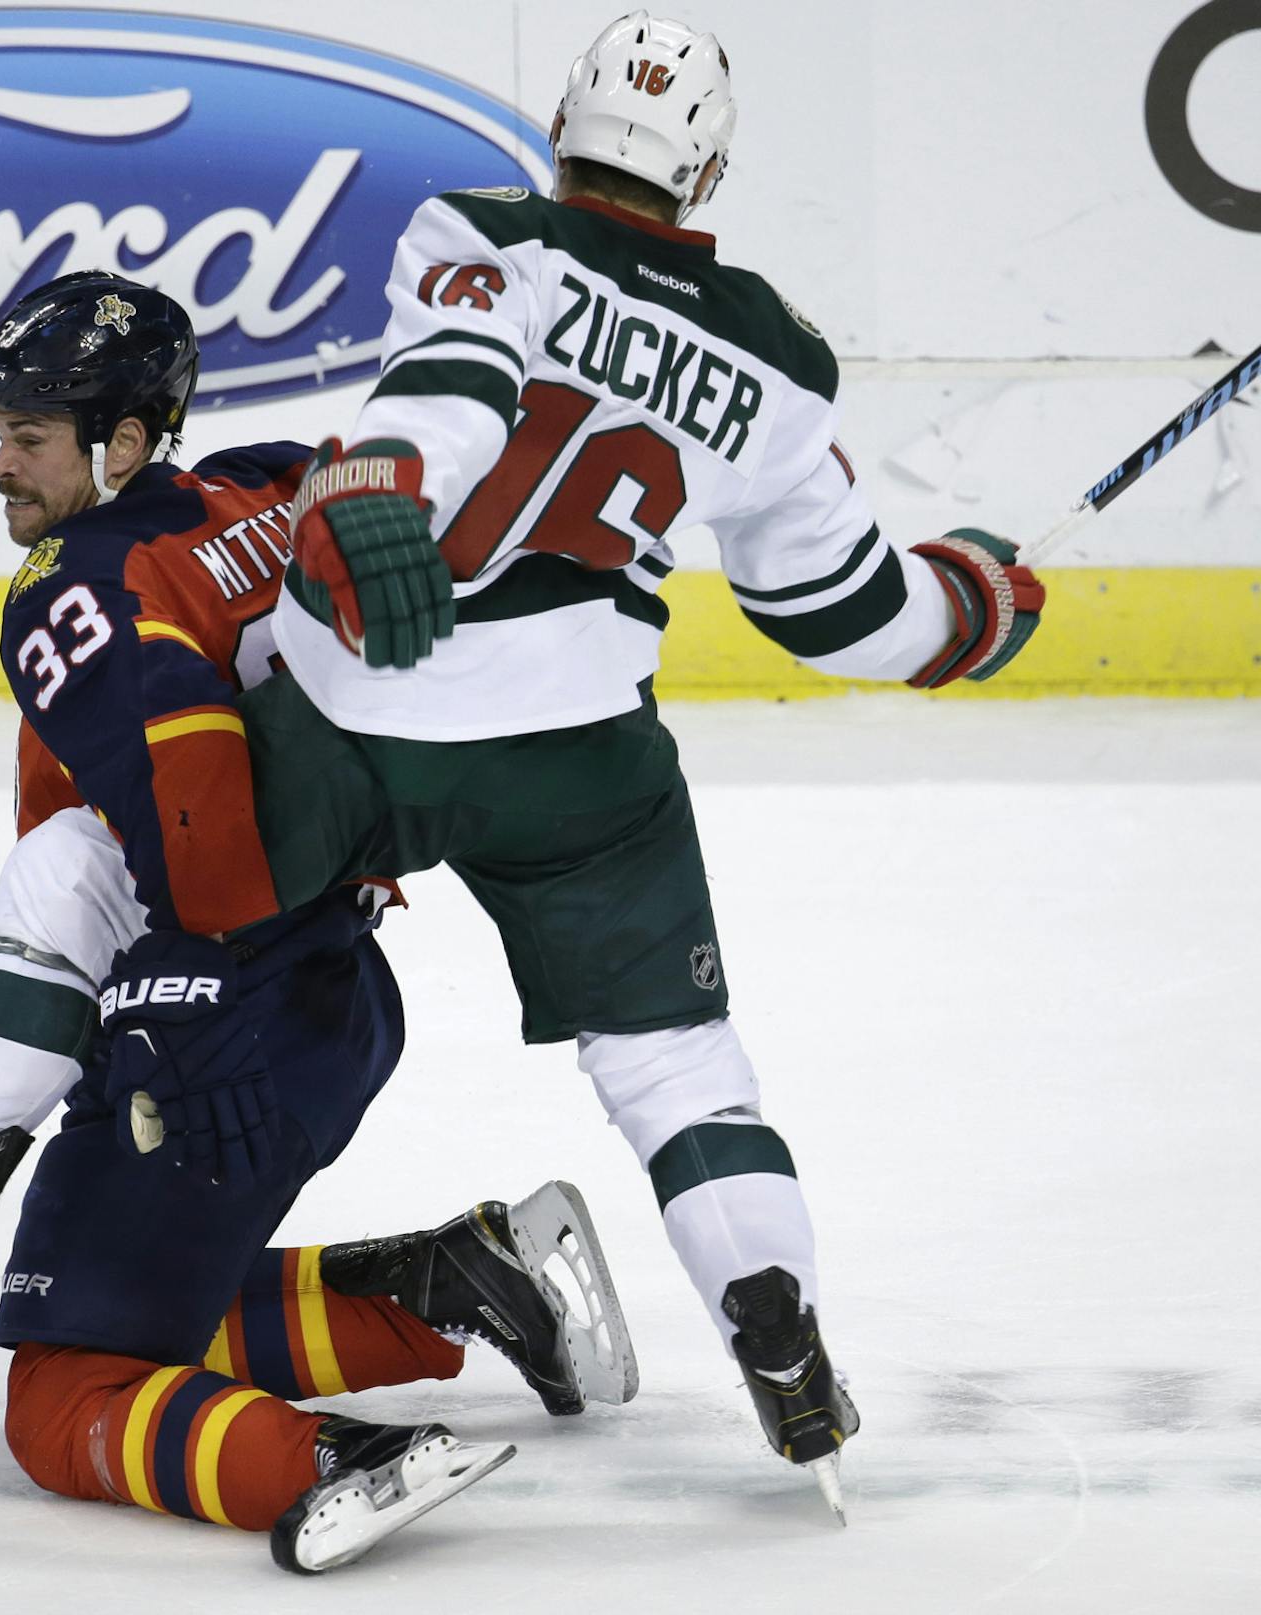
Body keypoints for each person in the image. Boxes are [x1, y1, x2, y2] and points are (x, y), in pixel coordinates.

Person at [190, 11, 1047, 1521]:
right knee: (674, 1068)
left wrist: (377, 484)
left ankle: (3, 1175)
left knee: (181, 934)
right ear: (705, 164)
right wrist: (970, 604)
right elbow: (842, 615)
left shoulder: (487, 233)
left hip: (355, 707)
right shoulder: (777, 359)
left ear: (566, 125)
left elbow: (450, 387)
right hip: (575, 756)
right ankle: (769, 1312)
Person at [0, 272, 636, 1573]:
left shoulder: (79, 585)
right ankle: (454, 1283)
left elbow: (184, 857)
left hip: (215, 1018)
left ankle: (325, 1455)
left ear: (127, 442)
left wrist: (141, 1020)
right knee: (106, 1303)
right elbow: (391, 519)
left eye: (29, 437)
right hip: (330, 992)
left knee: (60, 1397)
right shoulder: (261, 490)